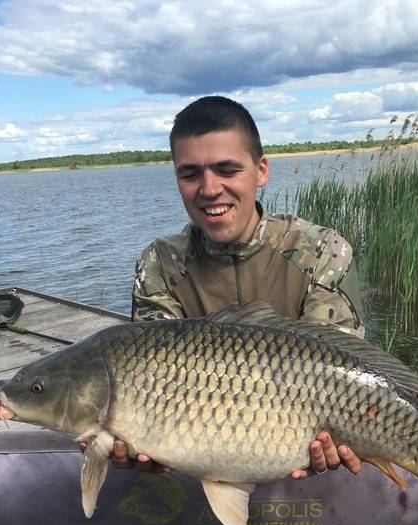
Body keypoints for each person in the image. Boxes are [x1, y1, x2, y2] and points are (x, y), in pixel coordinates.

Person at [113, 95, 365, 478]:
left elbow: (341, 369)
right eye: (190, 173)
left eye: (227, 169)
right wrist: (138, 441)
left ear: (261, 170)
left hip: (303, 452)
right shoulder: (160, 265)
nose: (210, 189)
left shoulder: (321, 252)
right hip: (201, 465)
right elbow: (148, 386)